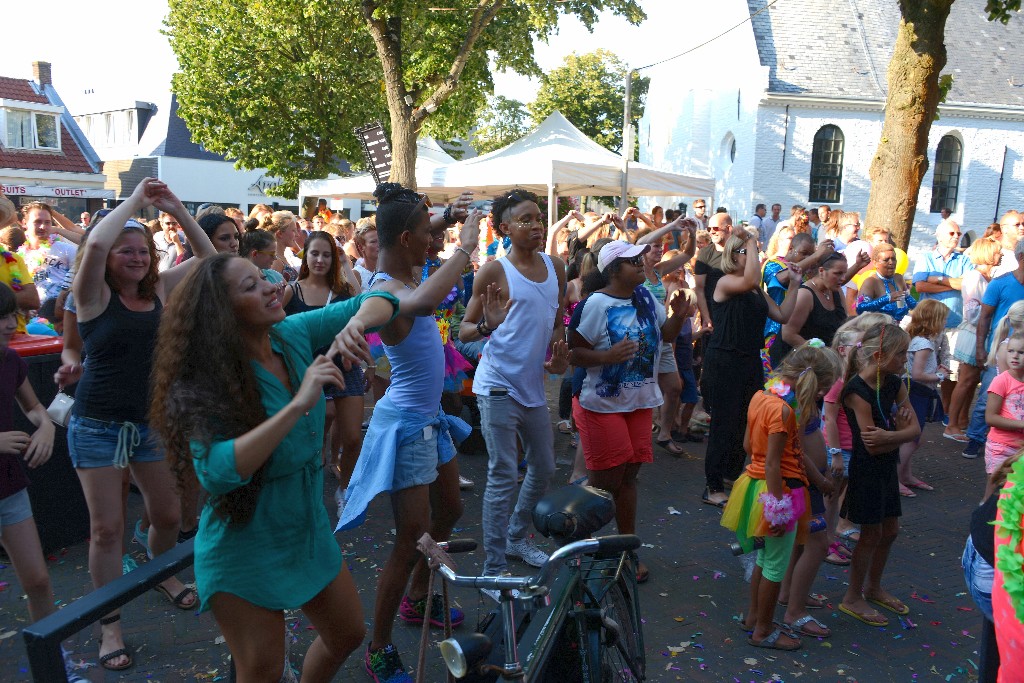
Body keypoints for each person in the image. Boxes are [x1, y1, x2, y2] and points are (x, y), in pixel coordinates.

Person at [150, 253, 398, 682]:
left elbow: (386, 296)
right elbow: (216, 472)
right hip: (244, 544)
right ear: (221, 313)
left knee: (347, 634)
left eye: (264, 277)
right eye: (250, 286)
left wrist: (355, 325)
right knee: (261, 670)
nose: (270, 286)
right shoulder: (205, 377)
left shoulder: (290, 334)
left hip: (305, 528)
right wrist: (299, 402)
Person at [65, 178, 215, 670]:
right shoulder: (91, 294)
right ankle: (110, 626)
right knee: (107, 530)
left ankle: (159, 574)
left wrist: (174, 207)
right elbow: (98, 242)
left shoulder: (161, 292)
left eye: (143, 251)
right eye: (125, 251)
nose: (135, 257)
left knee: (169, 516)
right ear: (107, 259)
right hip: (97, 426)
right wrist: (134, 202)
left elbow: (209, 257)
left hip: (150, 423)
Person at [338, 183, 479, 683]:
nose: (434, 241)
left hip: (428, 421)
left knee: (453, 509)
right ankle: (378, 647)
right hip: (405, 424)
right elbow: (416, 303)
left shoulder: (407, 266)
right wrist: (465, 245)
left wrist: (442, 216)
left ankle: (418, 600)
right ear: (404, 238)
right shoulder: (389, 290)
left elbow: (420, 243)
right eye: (426, 235)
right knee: (410, 541)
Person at [459, 189, 568, 579]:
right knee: (505, 472)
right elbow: (465, 331)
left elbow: (557, 324)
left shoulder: (557, 267)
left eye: (538, 218)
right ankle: (493, 568)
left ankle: (517, 537)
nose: (536, 225)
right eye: (525, 219)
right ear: (504, 228)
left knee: (544, 465)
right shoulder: (494, 272)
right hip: (497, 385)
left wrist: (559, 355)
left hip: (533, 388)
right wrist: (489, 323)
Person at [569, 239, 688, 583]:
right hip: (602, 404)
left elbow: (664, 337)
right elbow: (574, 354)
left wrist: (678, 318)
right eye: (632, 260)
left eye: (640, 258)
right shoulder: (595, 304)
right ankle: (584, 547)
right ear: (612, 269)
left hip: (639, 403)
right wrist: (606, 357)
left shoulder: (645, 298)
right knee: (604, 484)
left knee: (628, 479)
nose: (640, 263)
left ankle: (624, 548)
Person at [724, 342, 841, 651]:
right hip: (781, 492)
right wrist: (777, 510)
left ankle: (754, 618)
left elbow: (750, 447)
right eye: (823, 388)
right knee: (776, 565)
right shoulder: (784, 411)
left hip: (755, 485)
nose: (821, 396)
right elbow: (776, 464)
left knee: (764, 559)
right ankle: (763, 630)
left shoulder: (762, 396)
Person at [0, 283, 87, 680]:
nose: (9, 325)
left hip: (9, 487)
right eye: (1, 318)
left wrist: (48, 430)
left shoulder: (9, 361)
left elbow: (34, 407)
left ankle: (57, 669)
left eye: (11, 316)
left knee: (37, 579)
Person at [702, 231, 801, 507]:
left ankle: (732, 475)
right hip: (724, 359)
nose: (753, 257)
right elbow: (749, 278)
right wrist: (751, 242)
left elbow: (782, 315)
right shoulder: (725, 282)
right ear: (733, 255)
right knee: (724, 421)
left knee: (746, 420)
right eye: (746, 253)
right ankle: (712, 486)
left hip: (749, 359)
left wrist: (794, 284)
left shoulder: (755, 290)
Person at [838, 322, 920, 628]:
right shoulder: (856, 391)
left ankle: (873, 587)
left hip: (886, 467)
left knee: (891, 530)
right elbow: (870, 445)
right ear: (880, 355)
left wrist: (891, 436)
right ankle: (852, 596)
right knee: (870, 534)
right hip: (867, 470)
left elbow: (913, 429)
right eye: (901, 354)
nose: (905, 360)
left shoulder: (893, 382)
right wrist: (896, 433)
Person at [281, 231, 365, 518]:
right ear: (305, 255)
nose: (320, 259)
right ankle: (312, 495)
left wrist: (345, 259)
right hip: (308, 372)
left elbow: (361, 303)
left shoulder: (341, 292)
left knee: (353, 438)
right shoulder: (293, 290)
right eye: (314, 253)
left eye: (327, 254)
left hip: (346, 367)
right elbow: (273, 327)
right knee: (316, 438)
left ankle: (344, 490)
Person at [636, 218, 698, 452]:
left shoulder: (660, 270)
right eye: (655, 245)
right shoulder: (635, 271)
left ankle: (664, 433)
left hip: (662, 336)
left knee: (674, 388)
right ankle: (639, 439)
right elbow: (641, 241)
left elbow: (688, 253)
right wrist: (670, 227)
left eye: (661, 246)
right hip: (641, 339)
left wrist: (691, 234)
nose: (659, 249)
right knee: (642, 390)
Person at [965, 240, 1024, 457]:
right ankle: (975, 438)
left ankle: (1009, 442)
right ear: (1021, 258)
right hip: (1000, 353)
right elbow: (985, 317)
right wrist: (980, 349)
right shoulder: (1000, 283)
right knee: (987, 398)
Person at [946, 238, 1002, 442]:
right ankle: (951, 424)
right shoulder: (974, 277)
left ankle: (962, 421)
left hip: (981, 332)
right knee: (966, 380)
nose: (1001, 255)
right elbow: (972, 312)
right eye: (997, 252)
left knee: (972, 381)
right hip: (972, 333)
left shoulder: (987, 278)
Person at [899, 299, 950, 496]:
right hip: (916, 392)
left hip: (916, 391)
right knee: (912, 437)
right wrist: (940, 375)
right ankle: (896, 478)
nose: (945, 322)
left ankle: (906, 475)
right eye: (943, 319)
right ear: (934, 320)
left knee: (914, 437)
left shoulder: (917, 339)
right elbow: (917, 374)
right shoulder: (925, 343)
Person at [772, 252, 848, 366]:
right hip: (796, 363)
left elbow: (844, 322)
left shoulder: (836, 290)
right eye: (838, 273)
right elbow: (788, 334)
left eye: (844, 273)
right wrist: (820, 353)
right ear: (821, 271)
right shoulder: (805, 295)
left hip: (823, 362)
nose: (843, 278)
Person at [983, 332, 1024, 476]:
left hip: (1022, 449)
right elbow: (990, 418)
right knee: (996, 491)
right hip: (1001, 446)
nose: (1015, 356)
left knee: (1016, 493)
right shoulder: (1001, 381)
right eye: (1011, 351)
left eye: (1021, 352)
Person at [855, 244, 916, 322]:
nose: (891, 262)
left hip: (899, 329)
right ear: (875, 263)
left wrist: (927, 306)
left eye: (893, 259)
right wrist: (887, 299)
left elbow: (911, 304)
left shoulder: (899, 278)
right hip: (878, 329)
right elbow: (860, 308)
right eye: (886, 260)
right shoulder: (870, 282)